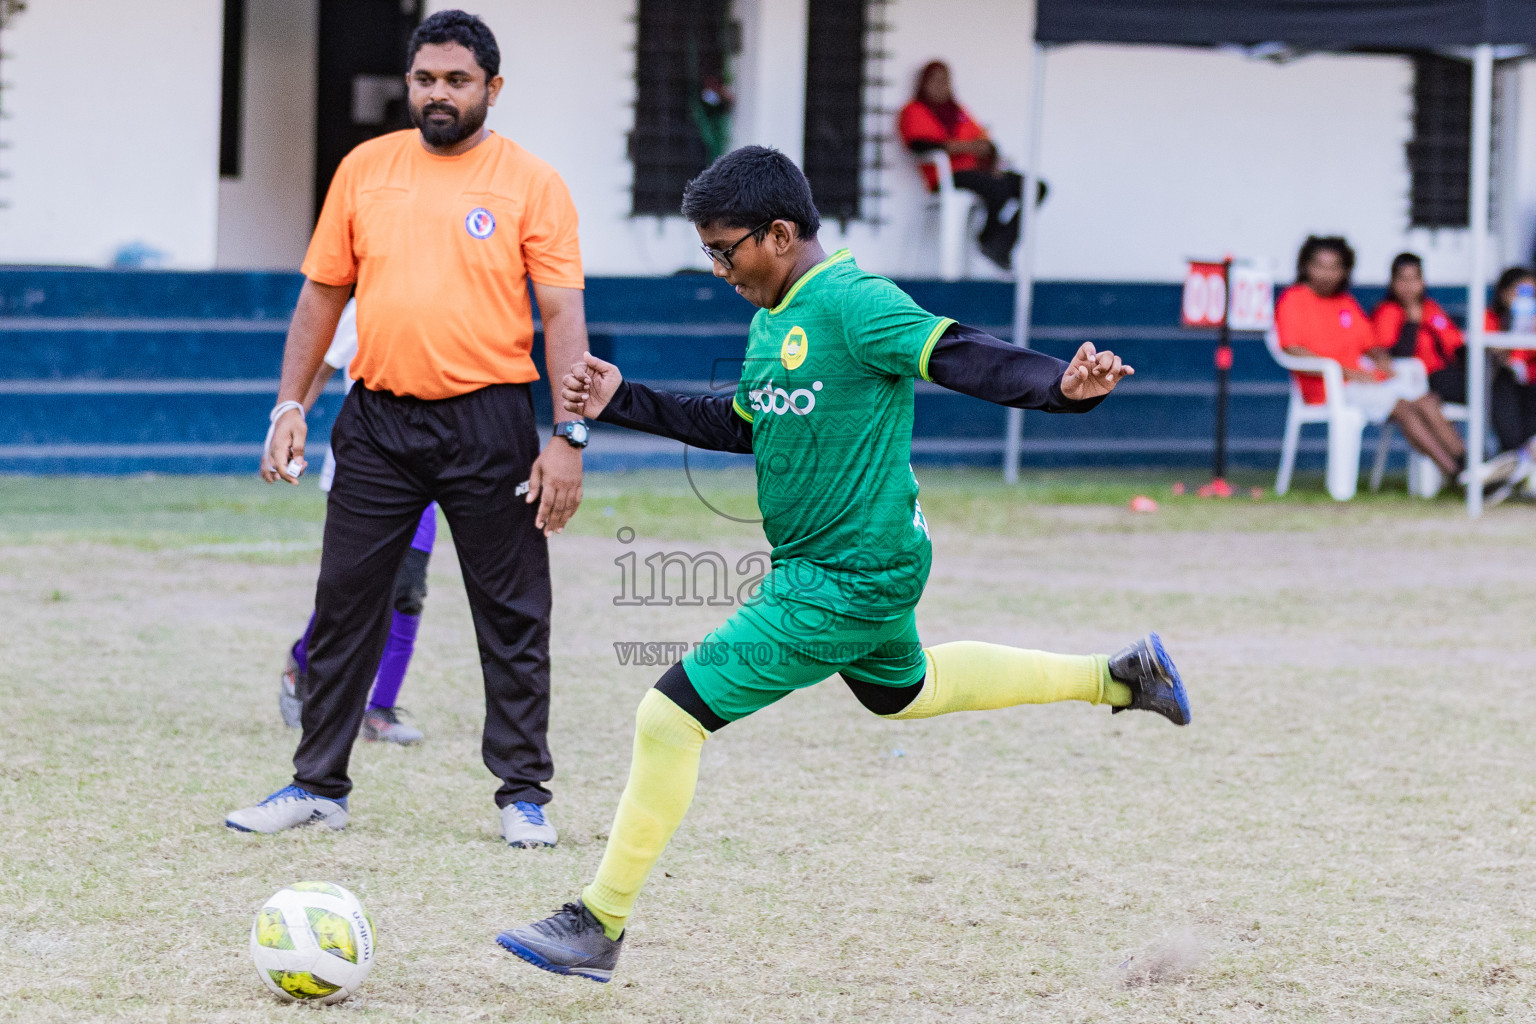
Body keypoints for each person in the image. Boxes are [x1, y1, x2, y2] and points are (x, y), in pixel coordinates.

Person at [494, 146, 1190, 983]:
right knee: (909, 692)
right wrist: (622, 401)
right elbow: (748, 425)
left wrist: (1061, 388)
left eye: (725, 249)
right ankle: (1122, 677)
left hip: (849, 576)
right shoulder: (771, 320)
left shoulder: (857, 304)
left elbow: (960, 352)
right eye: (708, 252)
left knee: (667, 717)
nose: (717, 268)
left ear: (779, 233)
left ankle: (598, 923)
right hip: (853, 565)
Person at [226, 10, 591, 849]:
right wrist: (291, 405)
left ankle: (522, 795)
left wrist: (567, 438)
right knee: (346, 601)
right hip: (377, 420)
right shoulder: (365, 168)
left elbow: (563, 314)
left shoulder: (533, 183)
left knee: (512, 610)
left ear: (492, 90)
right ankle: (318, 785)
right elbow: (322, 293)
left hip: (491, 420)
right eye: (425, 78)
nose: (437, 93)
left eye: (457, 80)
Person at [277, 300, 432, 746]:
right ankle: (300, 665)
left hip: (430, 466)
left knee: (407, 590)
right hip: (366, 467)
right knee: (353, 591)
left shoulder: (451, 295)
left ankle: (379, 709)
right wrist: (289, 424)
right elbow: (320, 366)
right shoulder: (368, 301)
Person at [1276, 236, 1465, 480]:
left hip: (1365, 381)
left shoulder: (1345, 302)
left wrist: (1381, 358)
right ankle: (1455, 474)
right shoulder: (1294, 299)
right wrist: (1346, 372)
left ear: (1344, 270)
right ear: (1306, 267)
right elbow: (1291, 348)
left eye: (1334, 267)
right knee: (1404, 408)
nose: (1327, 274)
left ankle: (1468, 464)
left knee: (1426, 401)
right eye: (1320, 266)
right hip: (1329, 388)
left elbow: (1369, 344)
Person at [1371, 256, 1536, 473]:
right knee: (1498, 382)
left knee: (1510, 384)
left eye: (1415, 279)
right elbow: (1395, 355)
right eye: (1403, 280)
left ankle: (1520, 454)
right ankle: (1513, 452)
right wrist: (1411, 321)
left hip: (1454, 372)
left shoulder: (1431, 308)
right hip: (1426, 379)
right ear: (1392, 282)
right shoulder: (1388, 312)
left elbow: (1456, 346)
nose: (1410, 286)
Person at [898, 61, 1039, 271]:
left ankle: (1000, 243)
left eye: (945, 80)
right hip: (947, 177)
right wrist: (964, 147)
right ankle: (989, 238)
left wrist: (989, 155)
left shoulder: (958, 112)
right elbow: (919, 145)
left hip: (978, 173)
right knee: (995, 186)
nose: (941, 85)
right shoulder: (914, 111)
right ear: (924, 83)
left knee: (1033, 188)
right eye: (935, 80)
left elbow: (983, 140)